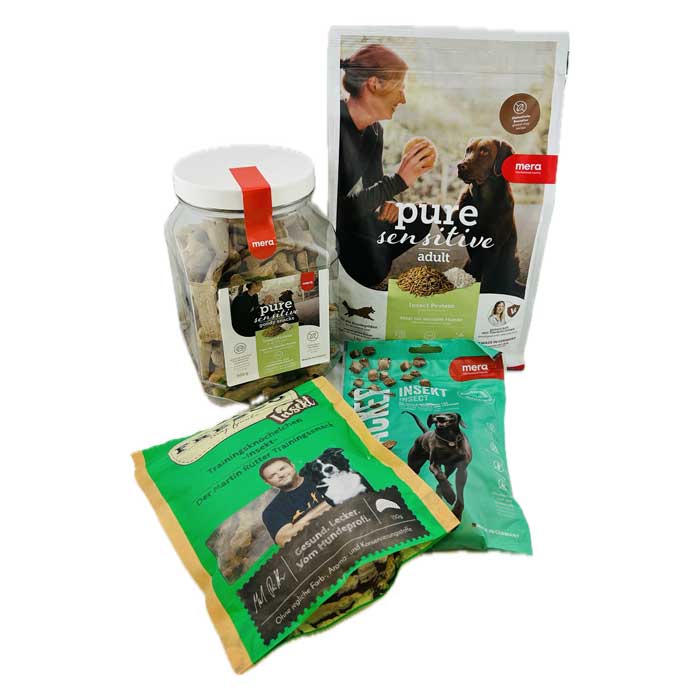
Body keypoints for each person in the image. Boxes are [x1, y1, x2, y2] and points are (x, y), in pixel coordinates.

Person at [336, 44, 435, 288]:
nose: (403, 99)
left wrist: (386, 203)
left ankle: (363, 261)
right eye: (400, 88)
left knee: (421, 216)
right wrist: (399, 181)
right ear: (374, 84)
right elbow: (338, 209)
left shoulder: (375, 132)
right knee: (371, 266)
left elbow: (374, 186)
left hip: (351, 221)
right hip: (332, 224)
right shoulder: (333, 122)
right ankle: (358, 263)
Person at [259, 457, 331, 546]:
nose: (280, 475)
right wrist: (329, 503)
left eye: (282, 469)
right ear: (268, 482)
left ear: (292, 466)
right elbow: (287, 540)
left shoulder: (323, 475)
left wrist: (299, 523)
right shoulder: (271, 511)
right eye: (272, 475)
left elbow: (348, 490)